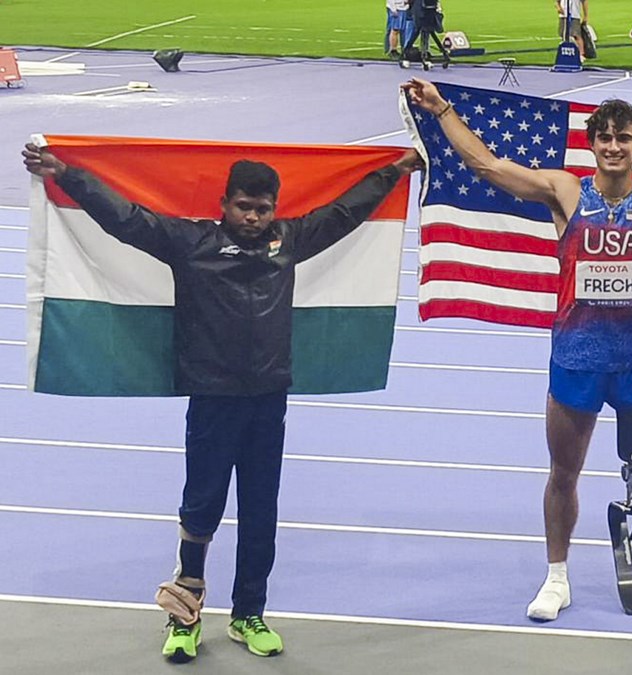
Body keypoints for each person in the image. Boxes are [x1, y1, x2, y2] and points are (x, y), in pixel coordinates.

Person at [21, 142, 423, 663]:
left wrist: (395, 171)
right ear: (225, 204)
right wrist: (67, 174)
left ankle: (248, 614)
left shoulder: (291, 240)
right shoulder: (191, 243)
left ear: (274, 209)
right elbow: (127, 219)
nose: (252, 217)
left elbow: (346, 212)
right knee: (201, 507)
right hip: (213, 399)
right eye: (243, 206)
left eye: (262, 208)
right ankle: (184, 616)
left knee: (260, 510)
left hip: (269, 400)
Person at [402, 77, 632, 622]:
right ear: (592, 145)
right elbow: (487, 166)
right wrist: (441, 108)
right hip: (575, 358)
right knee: (563, 472)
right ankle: (556, 577)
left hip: (629, 360)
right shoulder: (568, 193)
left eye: (623, 138)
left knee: (630, 470)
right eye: (605, 138)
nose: (613, 147)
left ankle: (619, 530)